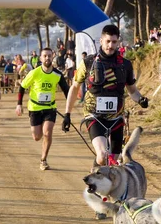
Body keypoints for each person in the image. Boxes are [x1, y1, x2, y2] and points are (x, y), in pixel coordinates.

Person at [62, 24, 149, 167]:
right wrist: (67, 114)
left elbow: (132, 91)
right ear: (101, 41)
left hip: (116, 118)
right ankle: (95, 178)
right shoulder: (88, 62)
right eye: (107, 41)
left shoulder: (125, 65)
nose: (110, 45)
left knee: (114, 162)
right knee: (102, 156)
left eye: (114, 42)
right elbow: (74, 87)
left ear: (118, 42)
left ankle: (100, 178)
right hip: (94, 116)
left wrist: (141, 99)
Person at [16, 48, 69, 170]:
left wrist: (68, 110)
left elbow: (67, 91)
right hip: (34, 108)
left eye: (49, 56)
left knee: (47, 132)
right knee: (37, 137)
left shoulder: (57, 74)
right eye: (45, 56)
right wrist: (19, 104)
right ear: (40, 58)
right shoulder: (34, 73)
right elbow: (22, 87)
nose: (47, 58)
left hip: (50, 108)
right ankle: (42, 155)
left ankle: (43, 159)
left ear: (53, 57)